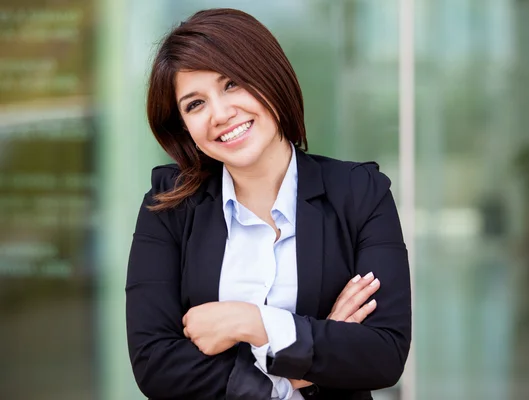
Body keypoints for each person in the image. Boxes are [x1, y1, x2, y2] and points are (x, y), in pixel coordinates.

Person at [126, 7, 411, 400]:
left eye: (232, 84)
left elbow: (383, 354)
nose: (221, 114)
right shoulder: (169, 206)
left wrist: (253, 322)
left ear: (269, 78)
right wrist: (300, 366)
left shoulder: (360, 192)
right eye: (195, 104)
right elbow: (155, 365)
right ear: (184, 128)